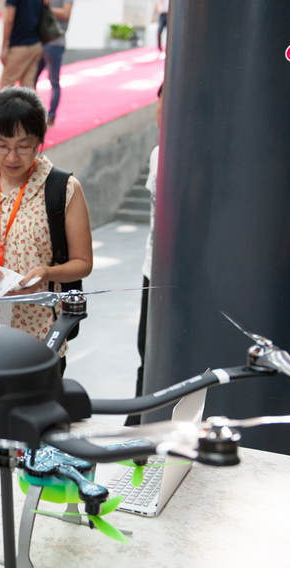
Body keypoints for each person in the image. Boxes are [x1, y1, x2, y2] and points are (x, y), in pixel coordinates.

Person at [0, 86, 92, 371]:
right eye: (1, 144)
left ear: (40, 141)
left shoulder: (62, 188)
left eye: (23, 146)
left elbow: (83, 263)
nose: (11, 157)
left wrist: (48, 273)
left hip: (38, 333)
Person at [131, 83, 163, 424]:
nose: (162, 112)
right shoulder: (157, 153)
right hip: (152, 270)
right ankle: (139, 420)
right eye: (160, 103)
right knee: (147, 351)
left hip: (185, 279)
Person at [34, 0, 72, 127]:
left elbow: (66, 13)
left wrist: (45, 7)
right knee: (31, 79)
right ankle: (34, 113)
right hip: (41, 41)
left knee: (54, 80)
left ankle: (51, 116)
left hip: (55, 42)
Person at [0, 0, 43, 89]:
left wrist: (4, 46)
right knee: (28, 86)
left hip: (20, 45)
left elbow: (9, 19)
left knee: (6, 85)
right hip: (36, 43)